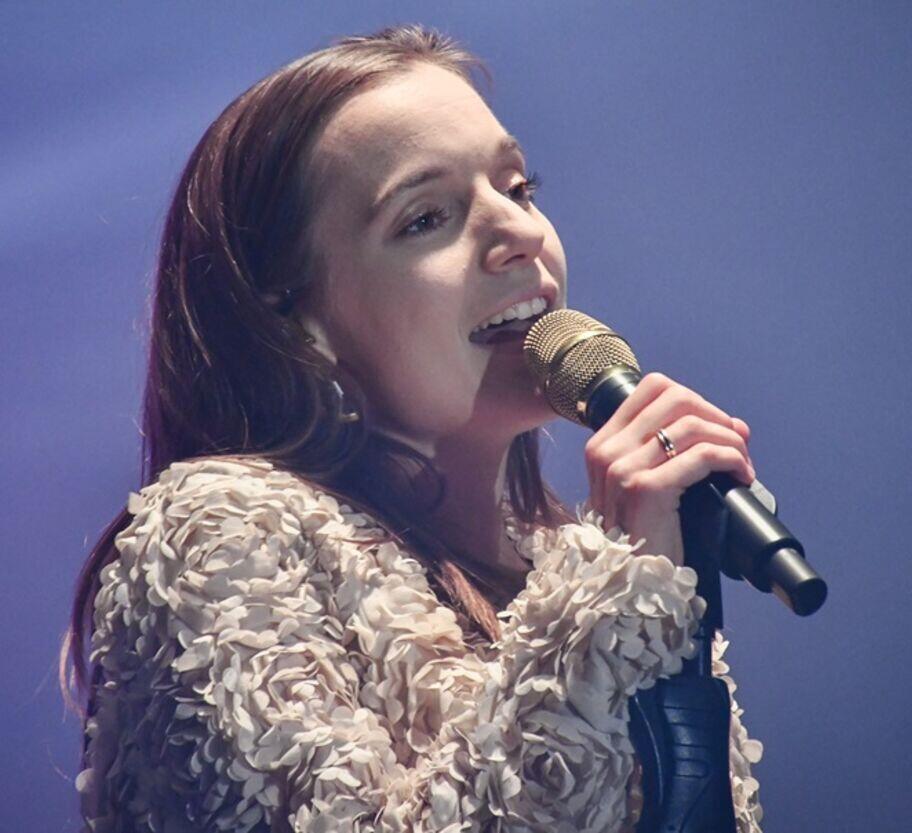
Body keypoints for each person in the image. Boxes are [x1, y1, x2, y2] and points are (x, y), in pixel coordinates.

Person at [63, 25, 764, 832]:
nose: (521, 233)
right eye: (427, 217)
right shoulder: (216, 530)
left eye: (519, 188)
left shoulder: (566, 566)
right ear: (295, 324)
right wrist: (613, 600)